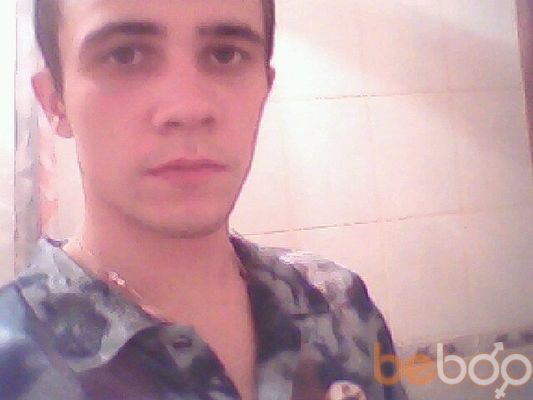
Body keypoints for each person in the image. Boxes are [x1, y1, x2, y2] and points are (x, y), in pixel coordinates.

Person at [0, 1, 409, 399]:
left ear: (265, 88)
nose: (188, 108)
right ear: (55, 102)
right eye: (125, 55)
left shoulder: (340, 307)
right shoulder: (11, 362)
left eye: (225, 54)